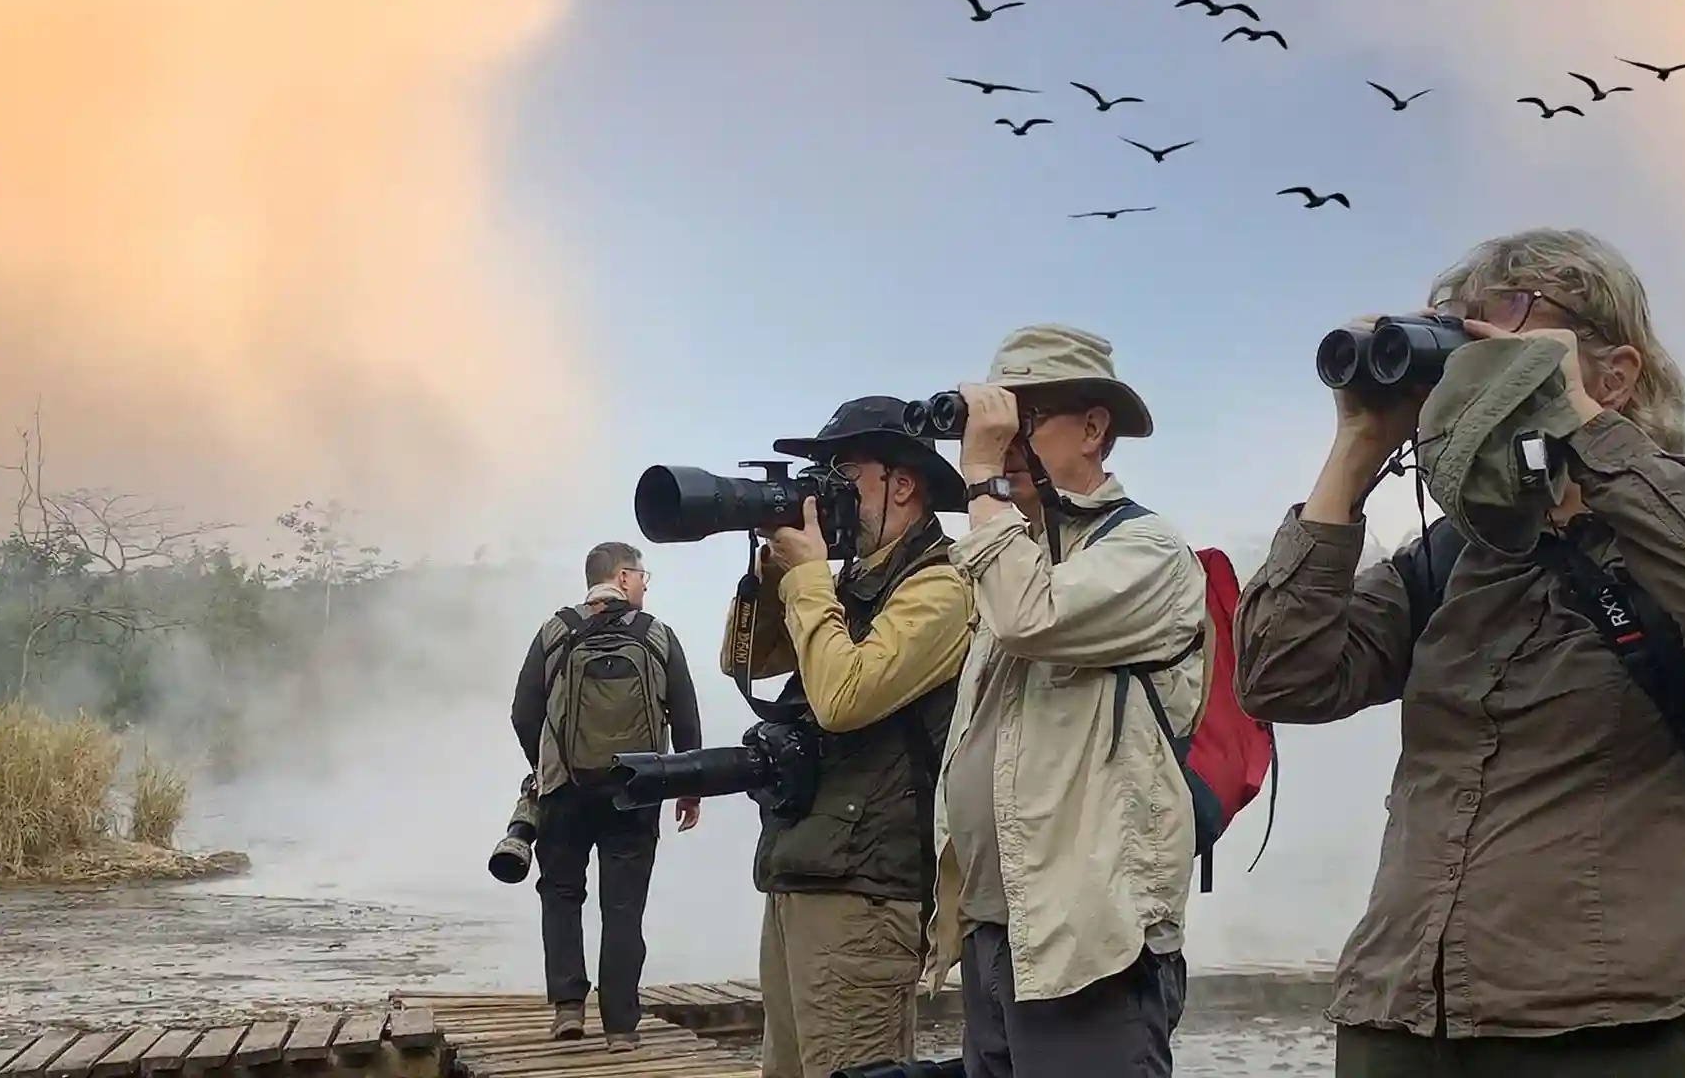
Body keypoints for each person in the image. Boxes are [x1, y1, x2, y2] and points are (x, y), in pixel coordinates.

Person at [1233, 229, 1685, 1077]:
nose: (1478, 352)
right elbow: (1280, 676)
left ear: (1615, 374)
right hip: (1397, 1024)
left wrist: (1573, 418)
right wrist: (1358, 446)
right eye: (1461, 332)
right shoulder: (1454, 561)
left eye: (1511, 325)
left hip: (1609, 1035)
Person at [926, 323, 1208, 1078]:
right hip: (997, 931)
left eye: (1027, 419)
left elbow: (1031, 616)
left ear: (1093, 428)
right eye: (997, 421)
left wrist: (983, 476)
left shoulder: (1147, 550)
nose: (1007, 441)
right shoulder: (1015, 556)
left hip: (1090, 942)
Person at [717, 396, 974, 1078]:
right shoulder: (849, 584)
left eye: (844, 472)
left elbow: (843, 696)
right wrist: (775, 566)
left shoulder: (941, 587)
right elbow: (745, 662)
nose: (825, 489)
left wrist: (806, 578)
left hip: (867, 894)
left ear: (903, 483)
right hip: (801, 869)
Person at [511, 541, 705, 1050]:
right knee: (622, 908)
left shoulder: (555, 632)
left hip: (563, 791)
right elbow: (684, 714)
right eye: (642, 575)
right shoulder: (657, 635)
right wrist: (687, 788)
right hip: (635, 790)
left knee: (561, 896)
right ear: (622, 578)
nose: (644, 585)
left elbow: (522, 711)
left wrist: (547, 764)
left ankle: (568, 1009)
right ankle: (620, 1027)